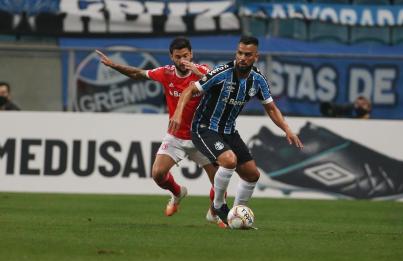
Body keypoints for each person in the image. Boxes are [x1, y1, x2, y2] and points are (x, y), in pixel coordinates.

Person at [169, 36, 304, 225]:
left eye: (247, 54)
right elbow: (190, 90)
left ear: (256, 57)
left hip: (229, 131)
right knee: (229, 160)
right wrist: (177, 113)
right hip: (204, 127)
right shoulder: (222, 73)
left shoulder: (258, 80)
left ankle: (235, 214)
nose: (242, 57)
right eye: (239, 53)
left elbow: (271, 108)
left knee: (252, 175)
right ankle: (217, 207)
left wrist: (287, 130)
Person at [96, 37, 222, 224]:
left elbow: (222, 87)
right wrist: (113, 65)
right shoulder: (166, 73)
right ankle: (178, 193)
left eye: (186, 56)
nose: (182, 61)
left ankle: (215, 211)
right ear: (171, 56)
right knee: (157, 174)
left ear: (191, 54)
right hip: (176, 136)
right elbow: (138, 74)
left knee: (220, 181)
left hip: (201, 136)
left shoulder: (203, 71)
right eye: (178, 57)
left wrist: (202, 75)